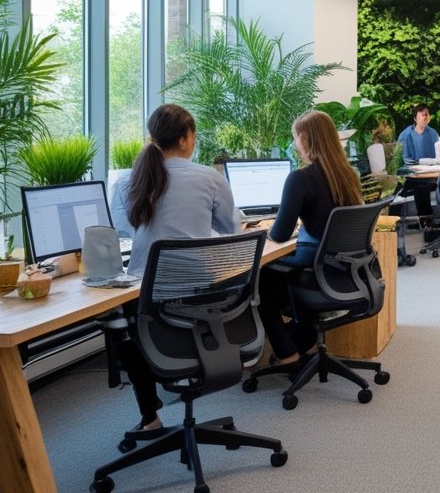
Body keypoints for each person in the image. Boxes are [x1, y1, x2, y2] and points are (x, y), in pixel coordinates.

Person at [109, 104, 242, 433]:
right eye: (193, 135)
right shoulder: (209, 178)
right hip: (203, 303)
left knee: (116, 321)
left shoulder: (127, 181)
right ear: (184, 140)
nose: (194, 141)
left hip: (150, 305)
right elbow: (231, 229)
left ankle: (149, 415)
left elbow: (122, 231)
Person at [256, 110, 366, 369]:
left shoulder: (301, 178)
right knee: (281, 273)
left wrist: (264, 231)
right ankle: (304, 343)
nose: (295, 144)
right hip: (345, 271)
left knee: (261, 280)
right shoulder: (348, 175)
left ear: (304, 138)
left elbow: (280, 235)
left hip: (317, 272)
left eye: (295, 138)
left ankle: (288, 355)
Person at [395, 104, 440, 240]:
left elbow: (439, 157)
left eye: (427, 114)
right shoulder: (406, 135)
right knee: (417, 189)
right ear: (415, 118)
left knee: (427, 187)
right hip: (411, 177)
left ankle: (435, 227)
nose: (425, 116)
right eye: (422, 114)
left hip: (430, 175)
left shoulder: (433, 134)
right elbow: (403, 160)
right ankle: (425, 225)